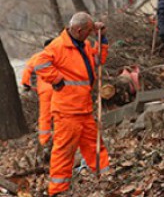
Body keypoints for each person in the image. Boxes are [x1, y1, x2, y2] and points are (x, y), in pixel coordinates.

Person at [33, 12, 109, 196]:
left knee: (94, 146)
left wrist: (102, 38)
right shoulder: (58, 46)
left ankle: (106, 178)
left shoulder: (85, 44)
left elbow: (98, 60)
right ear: (79, 30)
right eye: (89, 31)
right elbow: (39, 63)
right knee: (64, 152)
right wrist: (56, 78)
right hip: (67, 112)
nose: (91, 34)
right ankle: (58, 191)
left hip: (83, 109)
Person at [21, 38, 55, 148]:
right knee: (62, 113)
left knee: (45, 115)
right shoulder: (61, 56)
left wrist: (26, 84)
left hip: (44, 90)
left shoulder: (38, 57)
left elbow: (27, 70)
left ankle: (44, 140)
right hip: (61, 89)